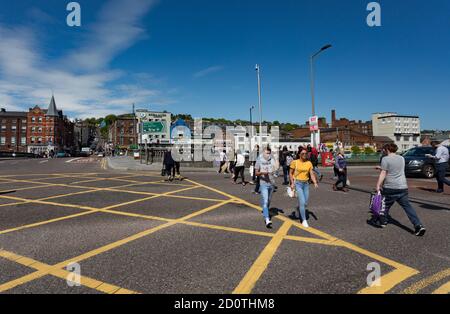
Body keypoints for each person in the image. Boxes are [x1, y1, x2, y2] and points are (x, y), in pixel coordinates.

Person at [372, 143, 426, 236]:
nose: (383, 151)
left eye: (384, 150)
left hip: (390, 187)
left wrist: (378, 185)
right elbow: (395, 169)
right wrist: (381, 167)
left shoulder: (385, 159)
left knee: (384, 205)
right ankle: (418, 225)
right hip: (402, 186)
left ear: (387, 149)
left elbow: (384, 173)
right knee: (407, 207)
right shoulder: (401, 158)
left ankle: (382, 222)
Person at [290, 149, 319, 228]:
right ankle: (304, 220)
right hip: (298, 184)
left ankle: (300, 209)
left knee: (305, 203)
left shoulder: (309, 163)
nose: (304, 154)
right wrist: (292, 183)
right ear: (299, 154)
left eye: (305, 153)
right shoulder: (295, 162)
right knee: (302, 202)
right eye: (302, 153)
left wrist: (315, 182)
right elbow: (291, 173)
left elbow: (311, 174)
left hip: (306, 184)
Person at [255, 147, 278, 228]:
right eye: (266, 153)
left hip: (272, 183)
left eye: (269, 153)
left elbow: (275, 169)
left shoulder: (272, 160)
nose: (267, 154)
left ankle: (265, 211)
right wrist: (262, 173)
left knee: (268, 201)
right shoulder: (259, 160)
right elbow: (256, 173)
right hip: (263, 183)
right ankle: (267, 219)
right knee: (265, 201)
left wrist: (275, 171)